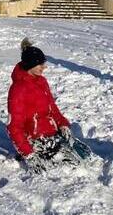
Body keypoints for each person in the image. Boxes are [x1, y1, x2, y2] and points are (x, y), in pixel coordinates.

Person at [7, 38, 91, 173]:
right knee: (72, 168)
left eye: (43, 63)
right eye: (40, 64)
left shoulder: (41, 82)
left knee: (85, 156)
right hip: (35, 140)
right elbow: (14, 126)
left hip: (51, 133)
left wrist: (62, 124)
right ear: (29, 65)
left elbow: (52, 108)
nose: (44, 67)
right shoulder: (18, 89)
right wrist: (28, 154)